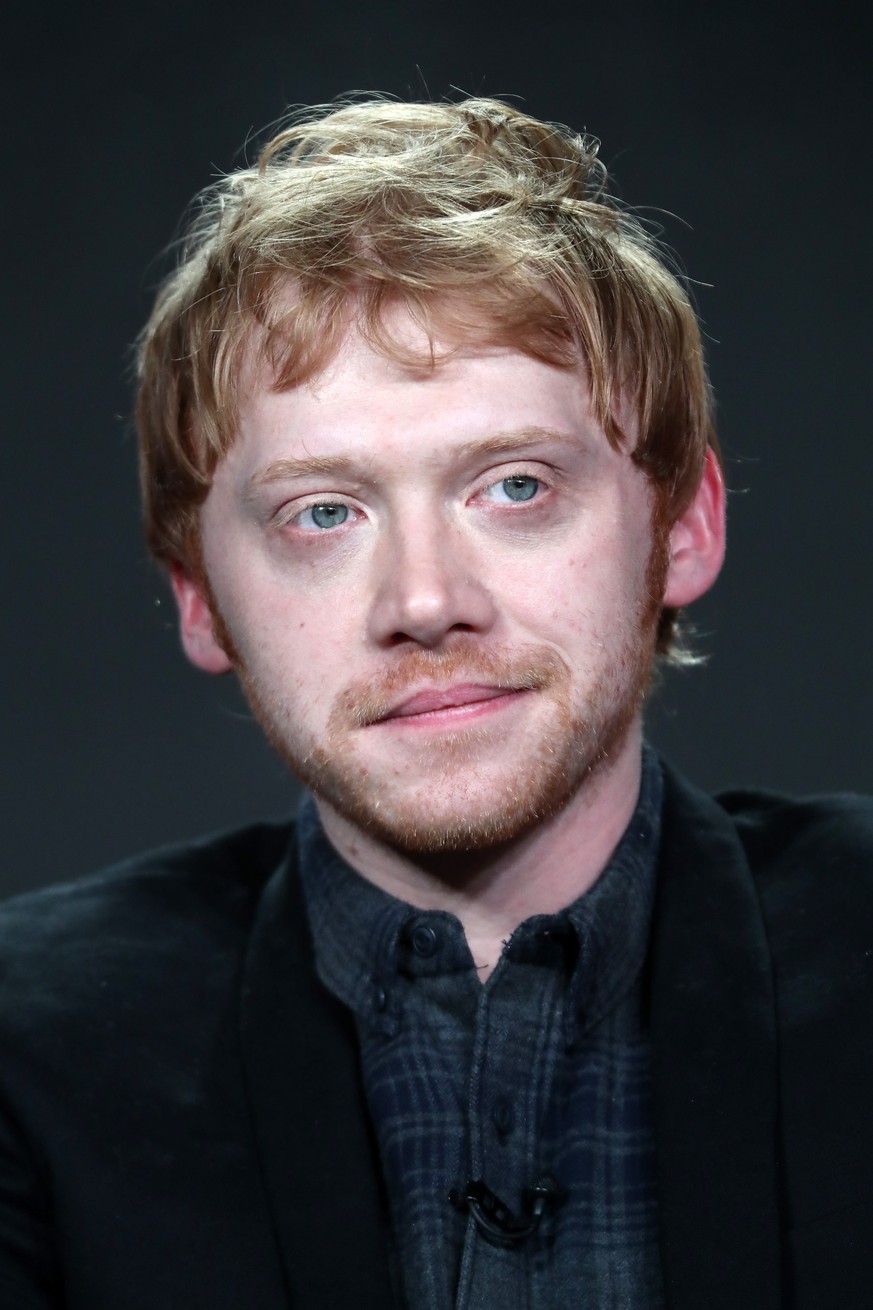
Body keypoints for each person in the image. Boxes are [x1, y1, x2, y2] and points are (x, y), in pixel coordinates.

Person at [1, 96, 871, 1310]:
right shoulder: (26, 1053)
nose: (424, 598)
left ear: (683, 527)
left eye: (514, 485)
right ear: (200, 599)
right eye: (323, 512)